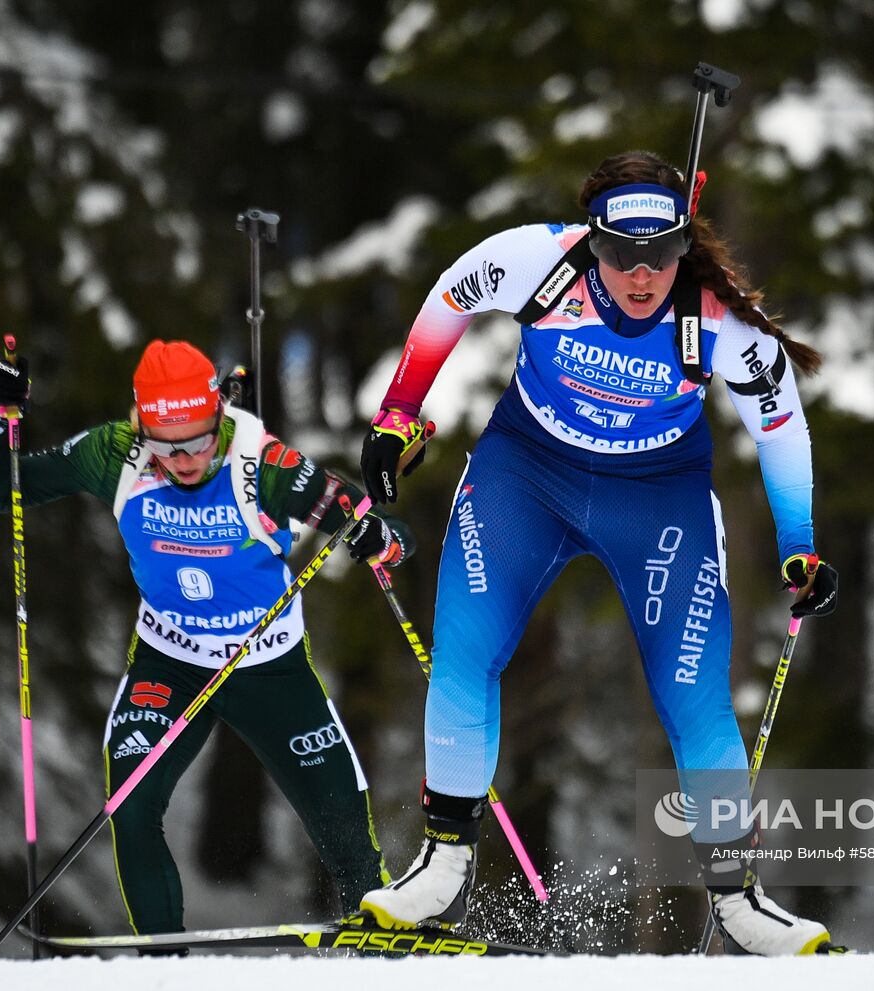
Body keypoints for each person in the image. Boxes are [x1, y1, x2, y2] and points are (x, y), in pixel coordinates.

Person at [356, 151, 840, 955]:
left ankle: (739, 900)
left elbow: (781, 423)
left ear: (685, 243)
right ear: (592, 237)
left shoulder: (716, 321)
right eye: (620, 253)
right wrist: (399, 411)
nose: (641, 274)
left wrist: (800, 549)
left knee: (695, 698)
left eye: (660, 254)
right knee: (463, 655)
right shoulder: (536, 261)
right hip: (527, 475)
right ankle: (442, 865)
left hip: (655, 499)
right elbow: (449, 297)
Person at [0, 340, 411, 938]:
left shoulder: (265, 464)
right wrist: (2, 418)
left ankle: (383, 958)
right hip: (169, 665)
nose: (183, 459)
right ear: (140, 425)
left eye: (200, 439)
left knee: (344, 829)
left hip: (269, 668)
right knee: (131, 804)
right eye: (167, 444)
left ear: (219, 415)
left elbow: (378, 529)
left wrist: (378, 538)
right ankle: (164, 971)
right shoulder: (115, 454)